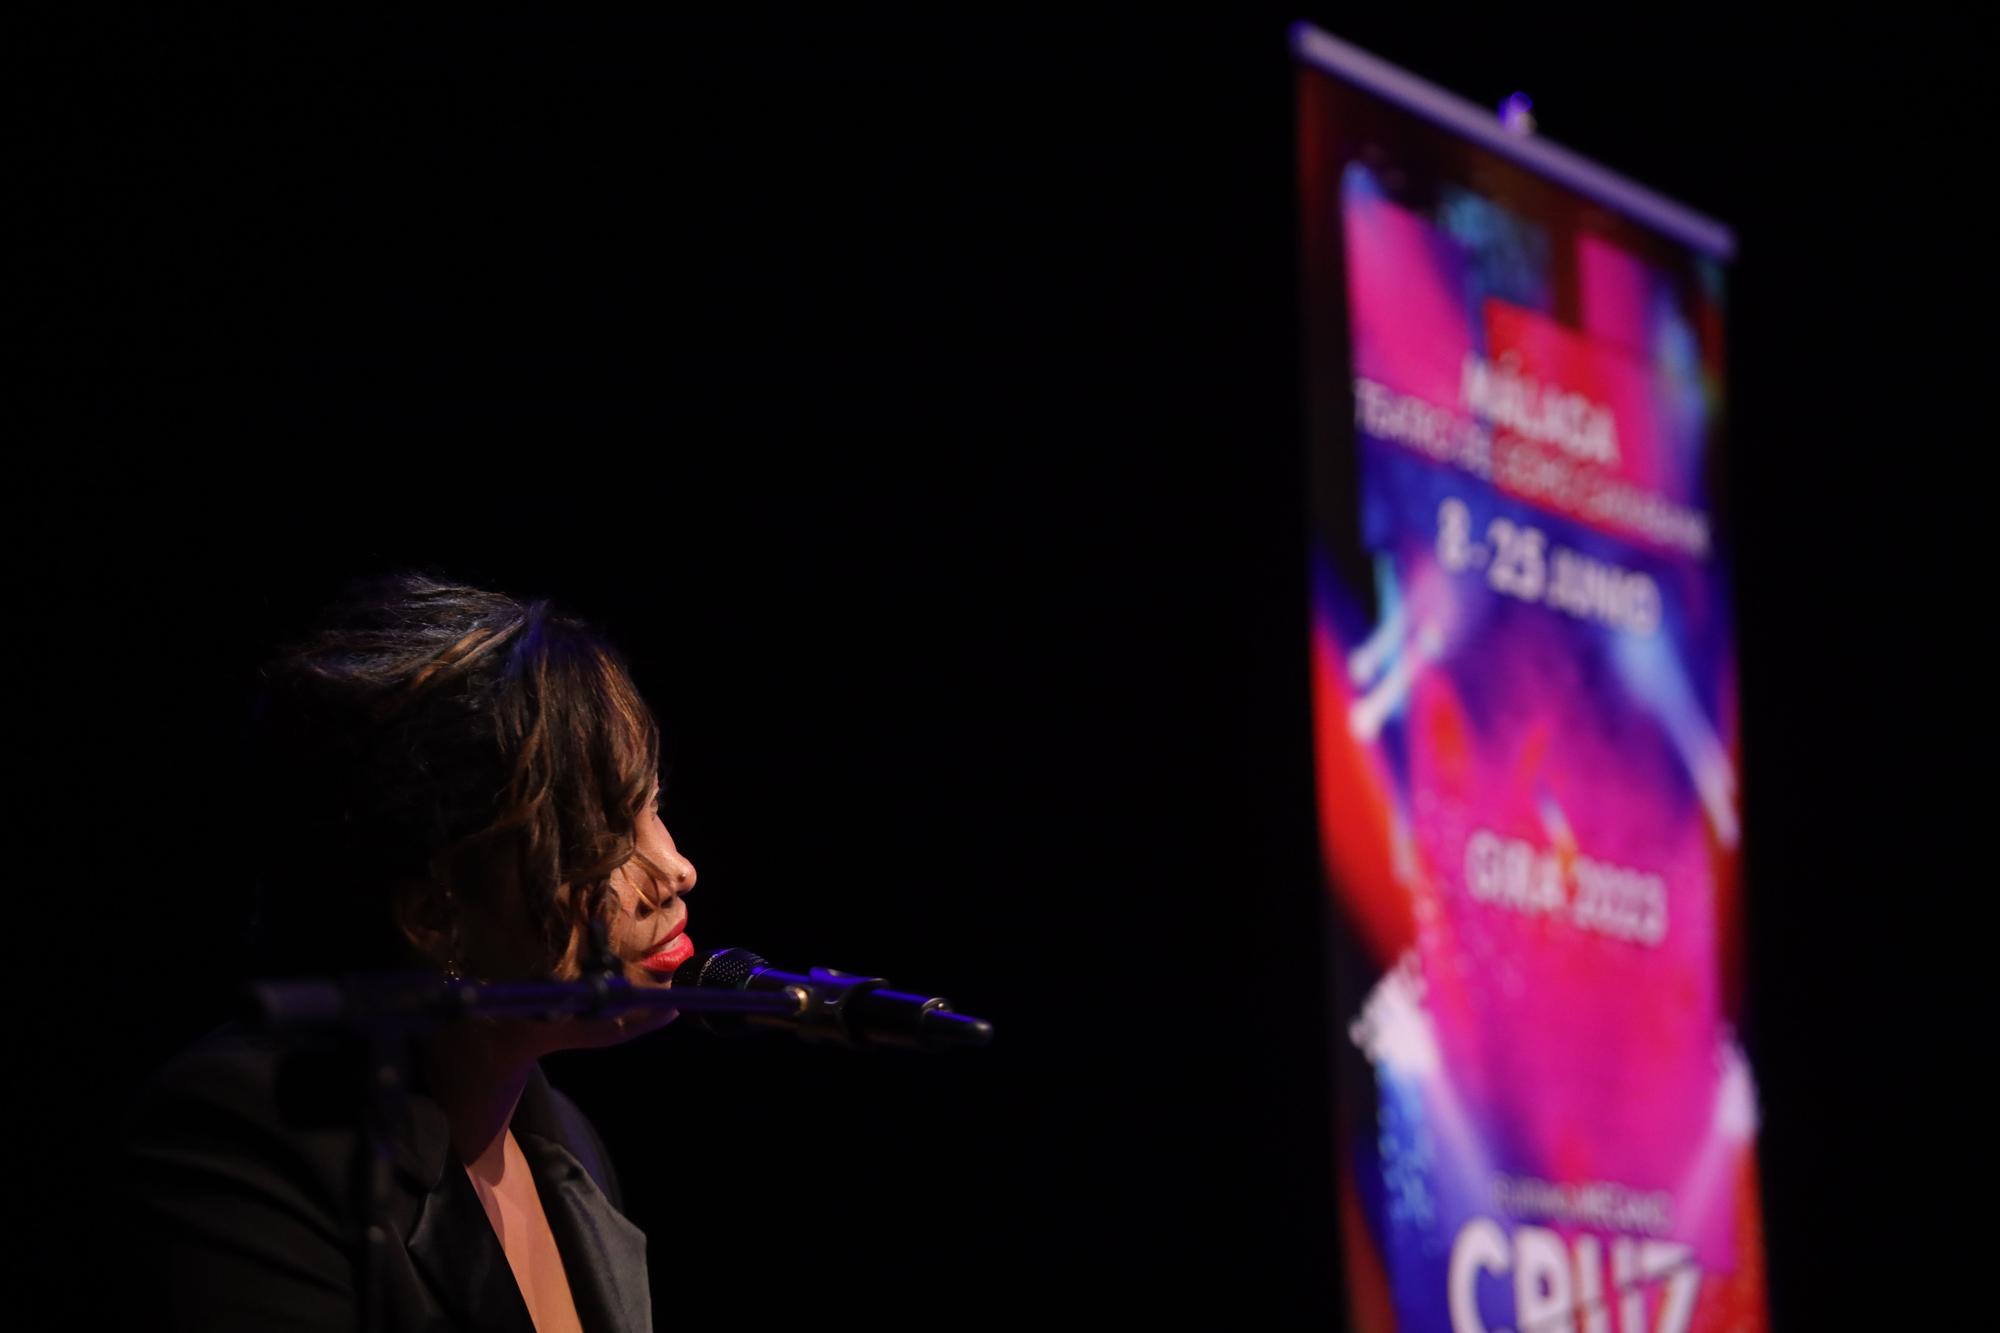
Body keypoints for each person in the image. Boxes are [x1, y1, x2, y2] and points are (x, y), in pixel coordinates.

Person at [122, 573, 697, 1333]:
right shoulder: (250, 1141)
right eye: (605, 834)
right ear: (435, 913)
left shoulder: (568, 1146)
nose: (675, 870)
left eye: (650, 805)